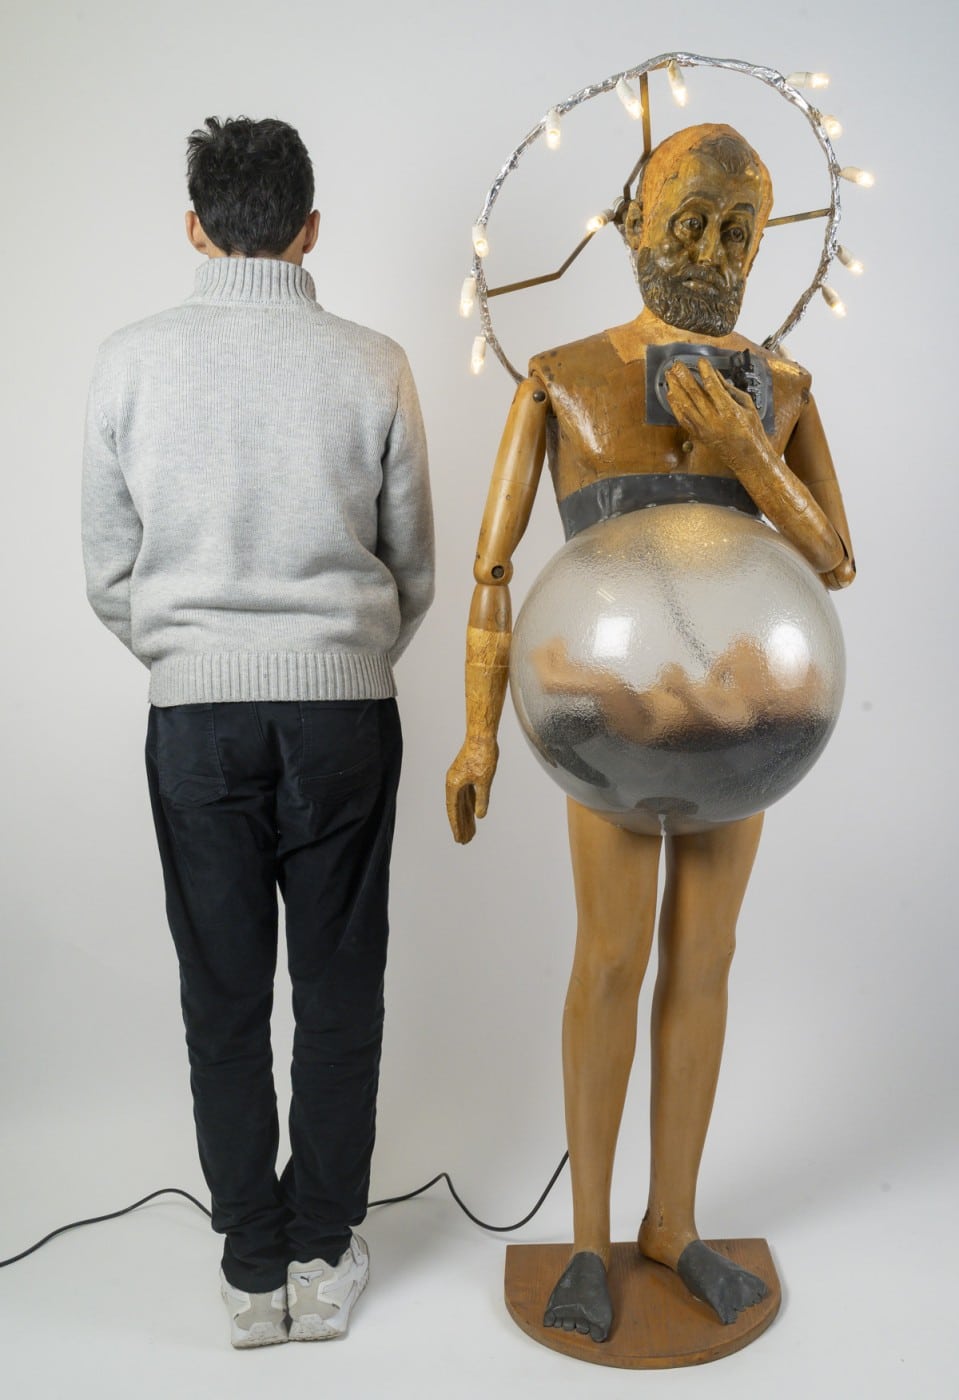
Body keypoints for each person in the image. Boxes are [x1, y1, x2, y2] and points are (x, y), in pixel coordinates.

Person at [446, 124, 853, 1343]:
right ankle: (585, 1240)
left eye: (736, 230)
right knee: (612, 958)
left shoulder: (781, 389)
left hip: (745, 720)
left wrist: (742, 449)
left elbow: (831, 557)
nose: (709, 252)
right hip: (604, 721)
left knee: (704, 957)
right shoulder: (561, 375)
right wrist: (479, 736)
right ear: (630, 222)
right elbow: (491, 568)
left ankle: (671, 1221)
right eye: (685, 221)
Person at [81, 116, 434, 1348]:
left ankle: (250, 1269)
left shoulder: (128, 362)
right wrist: (340, 656)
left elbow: (108, 571)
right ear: (310, 228)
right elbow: (413, 566)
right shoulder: (375, 362)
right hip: (345, 711)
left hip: (194, 719)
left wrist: (192, 656)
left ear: (195, 227)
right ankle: (321, 1254)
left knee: (221, 995)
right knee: (339, 991)